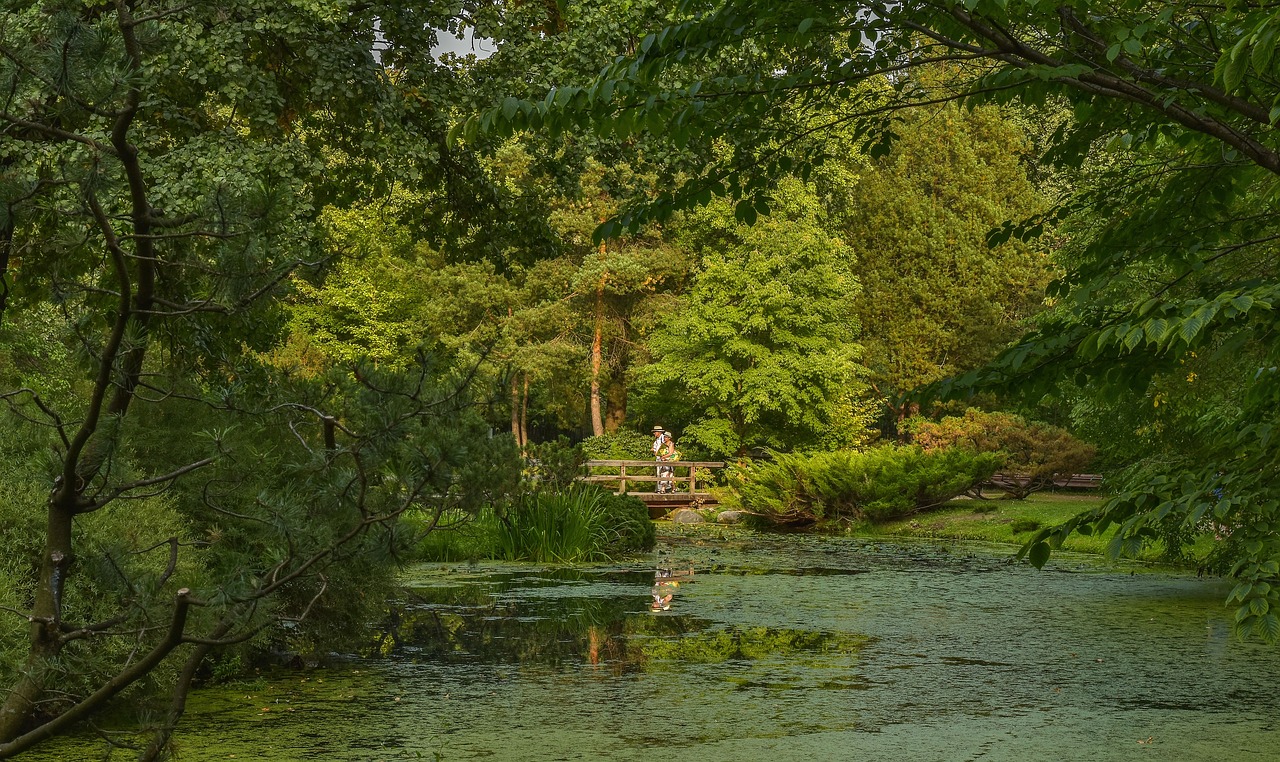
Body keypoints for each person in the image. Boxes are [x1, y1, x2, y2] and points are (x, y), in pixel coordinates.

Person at [652, 425, 676, 494]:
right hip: (660, 460)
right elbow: (656, 448)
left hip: (667, 460)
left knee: (667, 474)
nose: (654, 433)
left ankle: (665, 488)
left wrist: (664, 456)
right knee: (661, 474)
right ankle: (662, 489)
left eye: (655, 432)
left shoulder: (668, 442)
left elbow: (670, 452)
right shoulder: (658, 440)